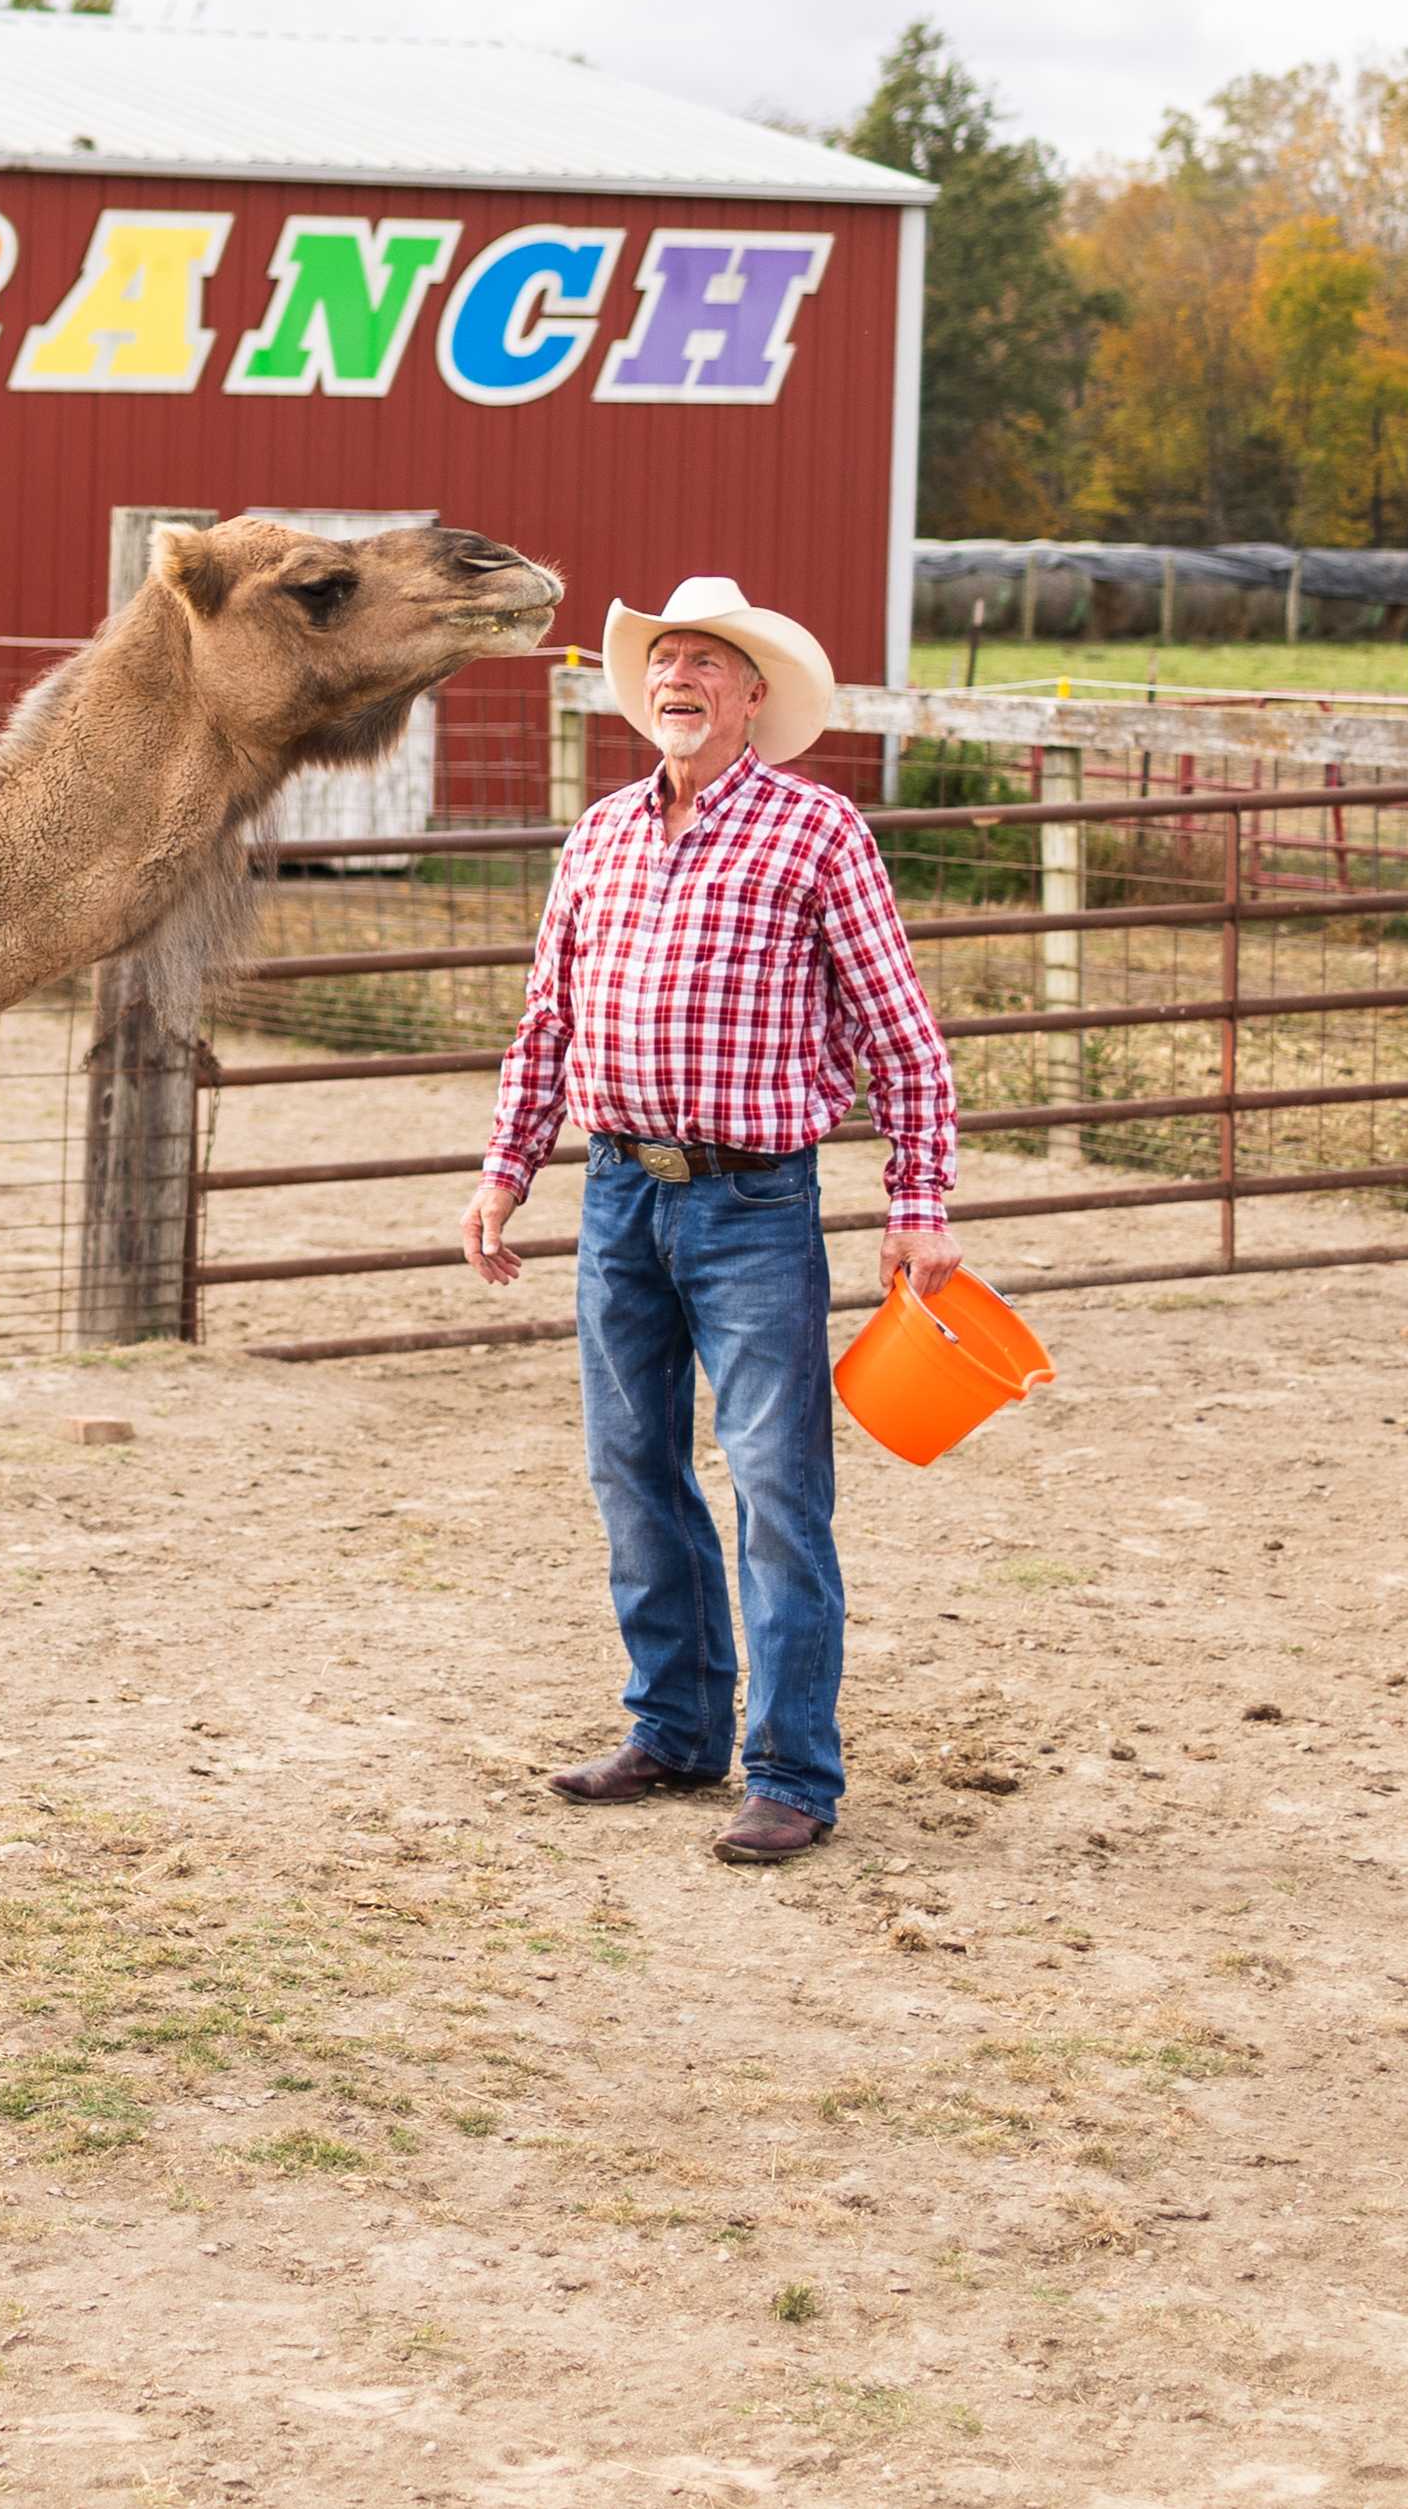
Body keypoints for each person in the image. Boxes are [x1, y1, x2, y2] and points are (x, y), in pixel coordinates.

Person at [458, 576, 960, 1865]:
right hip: (620, 1187)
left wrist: (920, 1202)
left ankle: (793, 1769)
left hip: (753, 1198)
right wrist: (506, 1170)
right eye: (663, 659)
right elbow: (549, 1023)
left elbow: (902, 1035)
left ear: (751, 696)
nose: (675, 678)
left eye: (704, 663)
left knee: (779, 1487)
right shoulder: (603, 834)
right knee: (633, 1470)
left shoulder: (819, 833)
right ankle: (675, 1727)